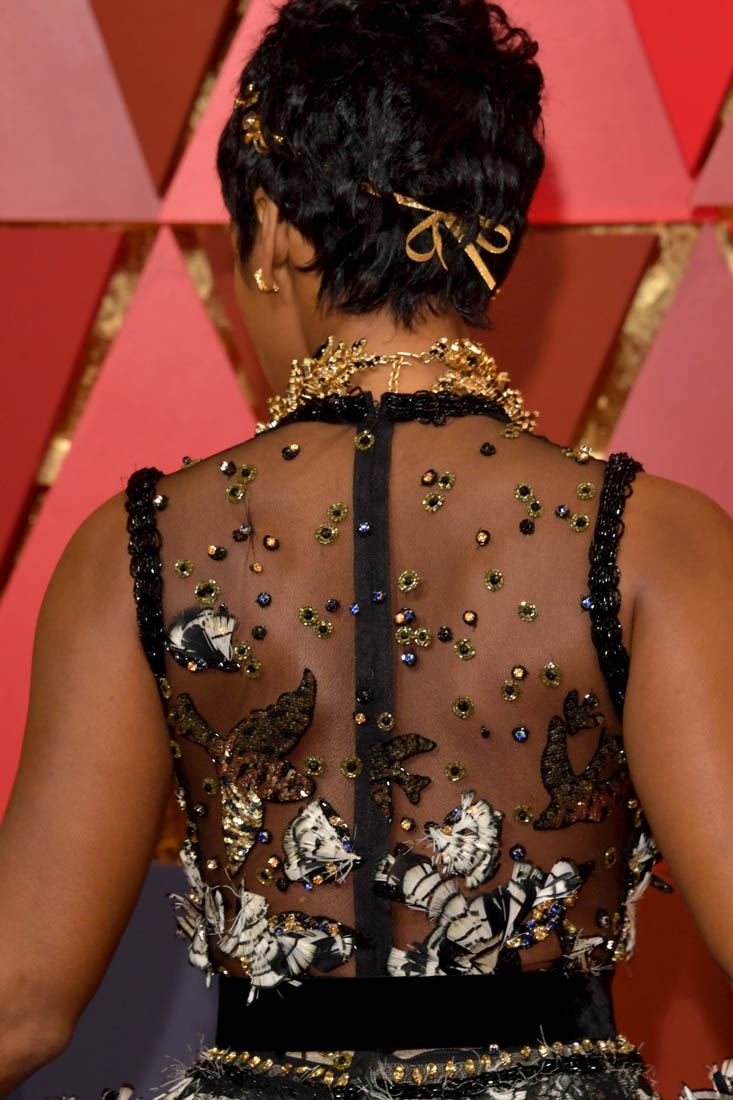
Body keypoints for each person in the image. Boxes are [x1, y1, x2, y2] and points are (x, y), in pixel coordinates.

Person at [1, 1, 732, 1097]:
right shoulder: (649, 541)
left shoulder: (139, 547)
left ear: (275, 228)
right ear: (490, 232)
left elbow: (18, 997)